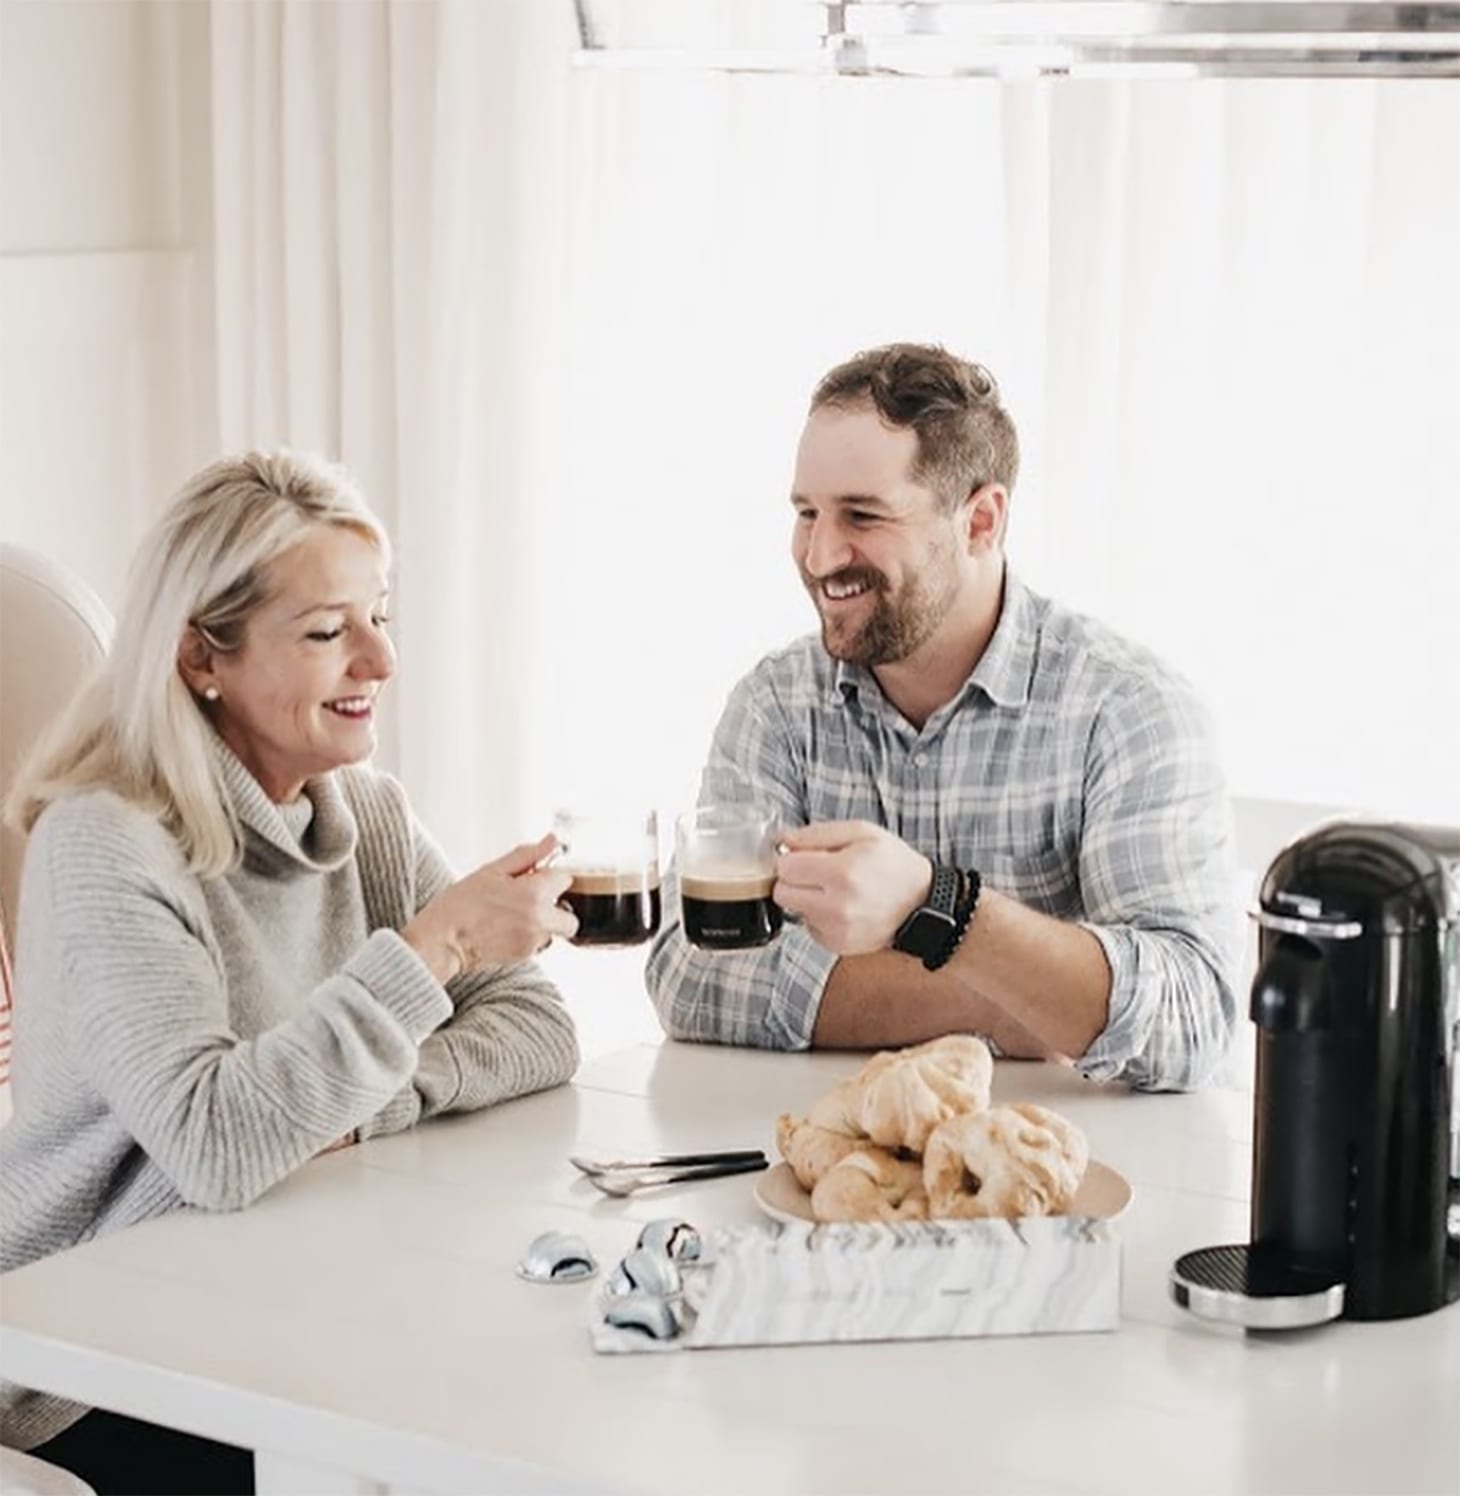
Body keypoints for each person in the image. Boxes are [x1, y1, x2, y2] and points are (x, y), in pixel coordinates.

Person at [0, 451, 580, 1493]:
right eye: (326, 632)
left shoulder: (367, 816)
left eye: (380, 615)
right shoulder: (105, 844)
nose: (380, 660)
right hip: (95, 1355)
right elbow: (219, 1142)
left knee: (540, 1391)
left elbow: (537, 1025)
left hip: (292, 1288)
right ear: (200, 657)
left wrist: (349, 1111)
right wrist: (436, 948)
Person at [646, 343, 1241, 1092]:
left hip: (1072, 1181)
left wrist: (941, 906)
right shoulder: (776, 705)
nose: (821, 553)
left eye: (862, 514)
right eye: (806, 513)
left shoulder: (1125, 709)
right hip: (822, 1171)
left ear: (981, 521)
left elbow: (1192, 1017)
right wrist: (1022, 1008)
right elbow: (691, 971)